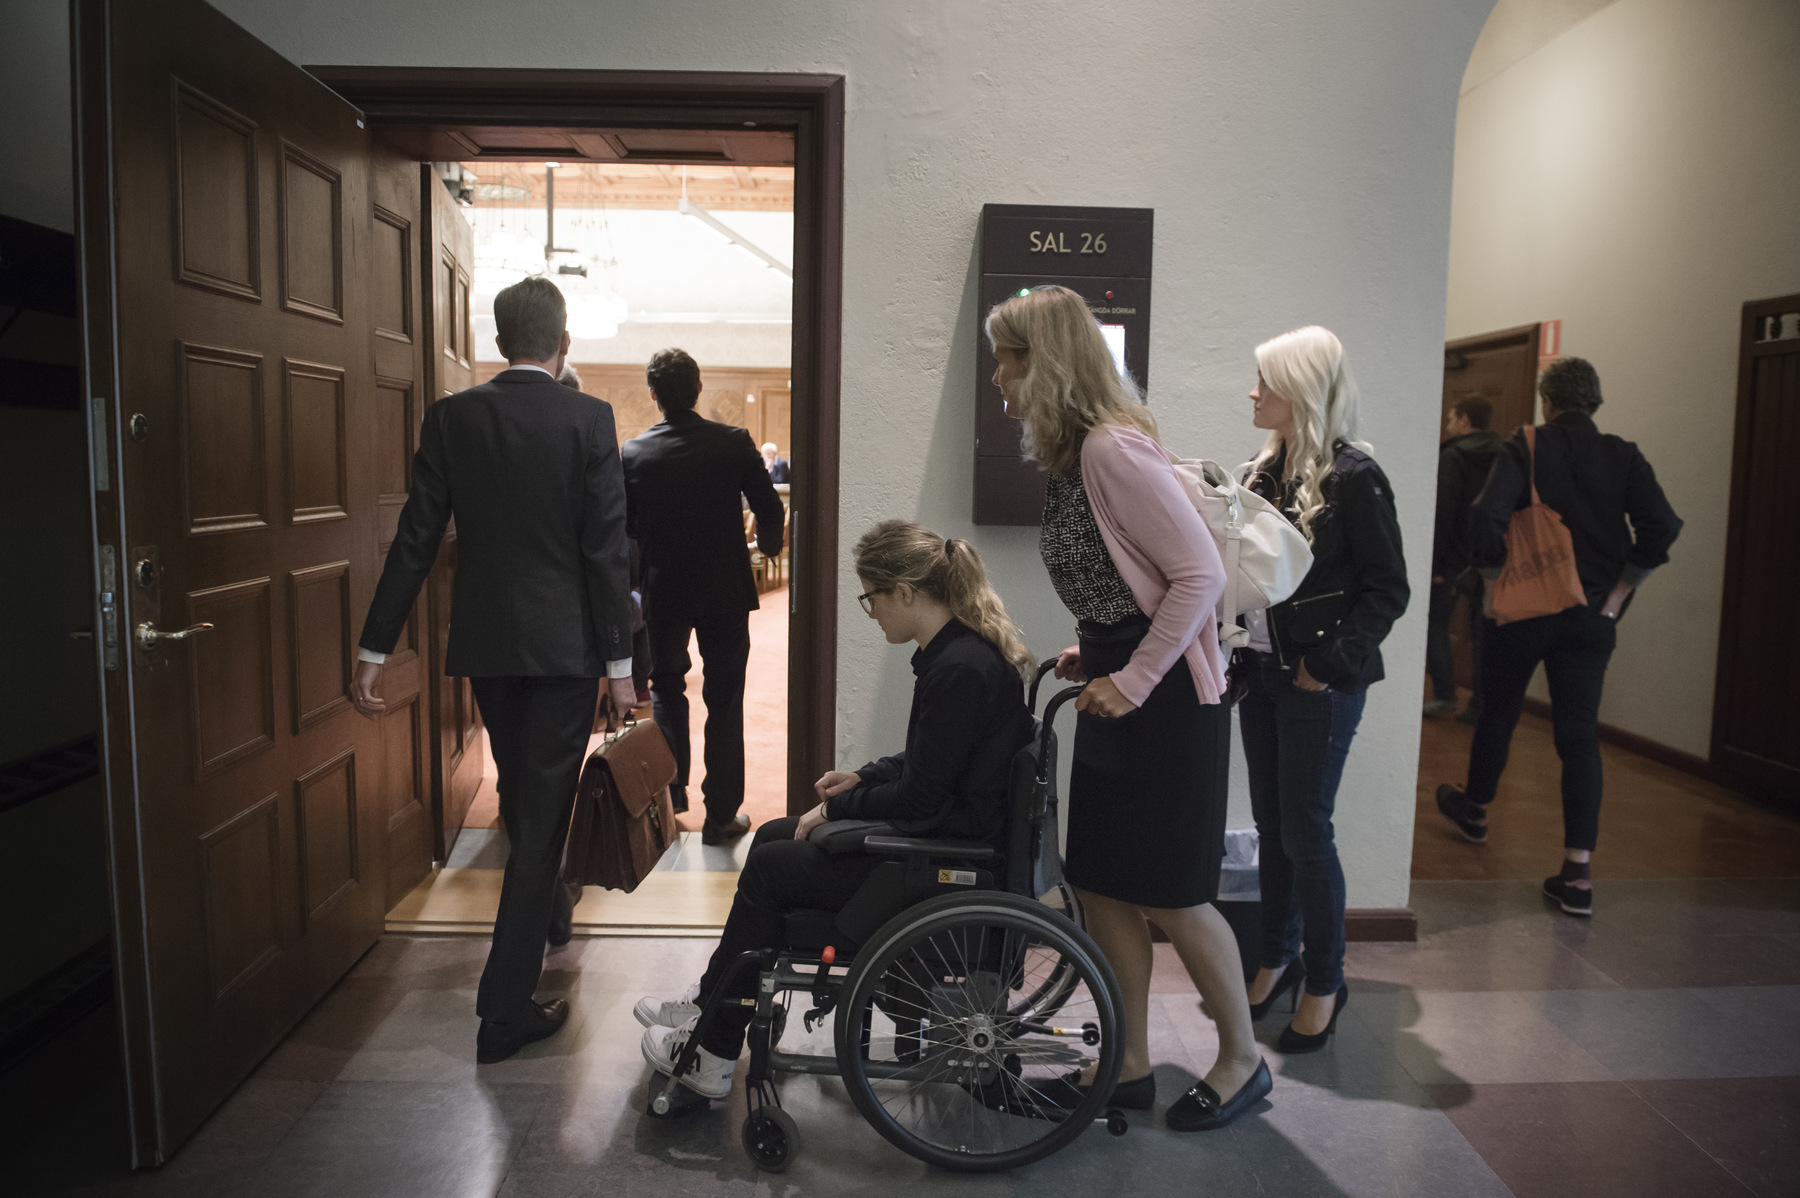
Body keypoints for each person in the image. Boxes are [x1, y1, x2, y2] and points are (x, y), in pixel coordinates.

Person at [986, 284, 1268, 1133]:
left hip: (1169, 700)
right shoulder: (1077, 454)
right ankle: (1131, 1063)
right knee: (1103, 885)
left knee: (1174, 892)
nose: (998, 375)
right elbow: (1126, 579)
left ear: (1047, 362)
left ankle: (1243, 1061)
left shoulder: (1113, 450)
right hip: (1122, 675)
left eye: (1008, 357)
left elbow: (1200, 579)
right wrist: (1097, 648)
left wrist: (1135, 674)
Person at [636, 521, 1036, 1097]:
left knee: (773, 865)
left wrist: (840, 807)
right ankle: (711, 1003)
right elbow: (930, 764)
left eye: (871, 596)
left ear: (904, 591)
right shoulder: (961, 656)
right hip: (945, 839)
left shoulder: (957, 670)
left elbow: (923, 796)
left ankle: (715, 1051)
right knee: (776, 833)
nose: (870, 611)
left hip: (939, 865)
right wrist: (863, 778)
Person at [349, 277, 635, 1064]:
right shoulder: (588, 419)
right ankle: (503, 1010)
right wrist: (620, 665)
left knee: (523, 789)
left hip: (487, 645)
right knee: (542, 813)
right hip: (566, 650)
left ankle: (548, 915)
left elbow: (415, 539)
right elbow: (604, 550)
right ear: (564, 341)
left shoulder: (451, 418)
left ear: (499, 340)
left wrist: (375, 647)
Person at [1435, 357, 1681, 916]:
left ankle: (1475, 809)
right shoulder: (1624, 454)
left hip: (1524, 612)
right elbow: (1662, 526)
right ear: (1594, 402)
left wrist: (1495, 584)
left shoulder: (1528, 446)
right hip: (1593, 616)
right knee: (1579, 736)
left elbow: (1484, 519)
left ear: (1547, 401)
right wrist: (1619, 592)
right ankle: (1577, 874)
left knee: (1498, 711)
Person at [1236, 326, 1408, 1055]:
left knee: (1306, 831)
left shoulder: (1353, 477)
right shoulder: (1261, 472)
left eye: (1265, 382)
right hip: (1266, 675)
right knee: (1275, 828)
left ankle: (1325, 982)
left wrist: (1328, 664)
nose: (1252, 392)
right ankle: (1277, 955)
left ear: (1301, 391)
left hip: (1317, 682)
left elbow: (1386, 590)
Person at [623, 349, 787, 841]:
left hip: (664, 590)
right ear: (698, 390)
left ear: (654, 396)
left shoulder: (633, 453)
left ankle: (671, 795)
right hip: (725, 591)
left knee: (667, 688)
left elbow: (626, 527)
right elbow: (769, 506)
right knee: (725, 697)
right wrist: (770, 546)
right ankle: (720, 815)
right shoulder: (733, 442)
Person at [1425, 396, 1502, 721]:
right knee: (1483, 632)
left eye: (1452, 418)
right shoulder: (1504, 453)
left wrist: (1437, 564)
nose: (1449, 424)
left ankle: (1444, 694)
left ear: (1466, 420)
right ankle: (1480, 704)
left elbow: (1443, 512)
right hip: (1491, 558)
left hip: (1453, 559)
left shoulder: (1454, 455)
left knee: (1435, 624)